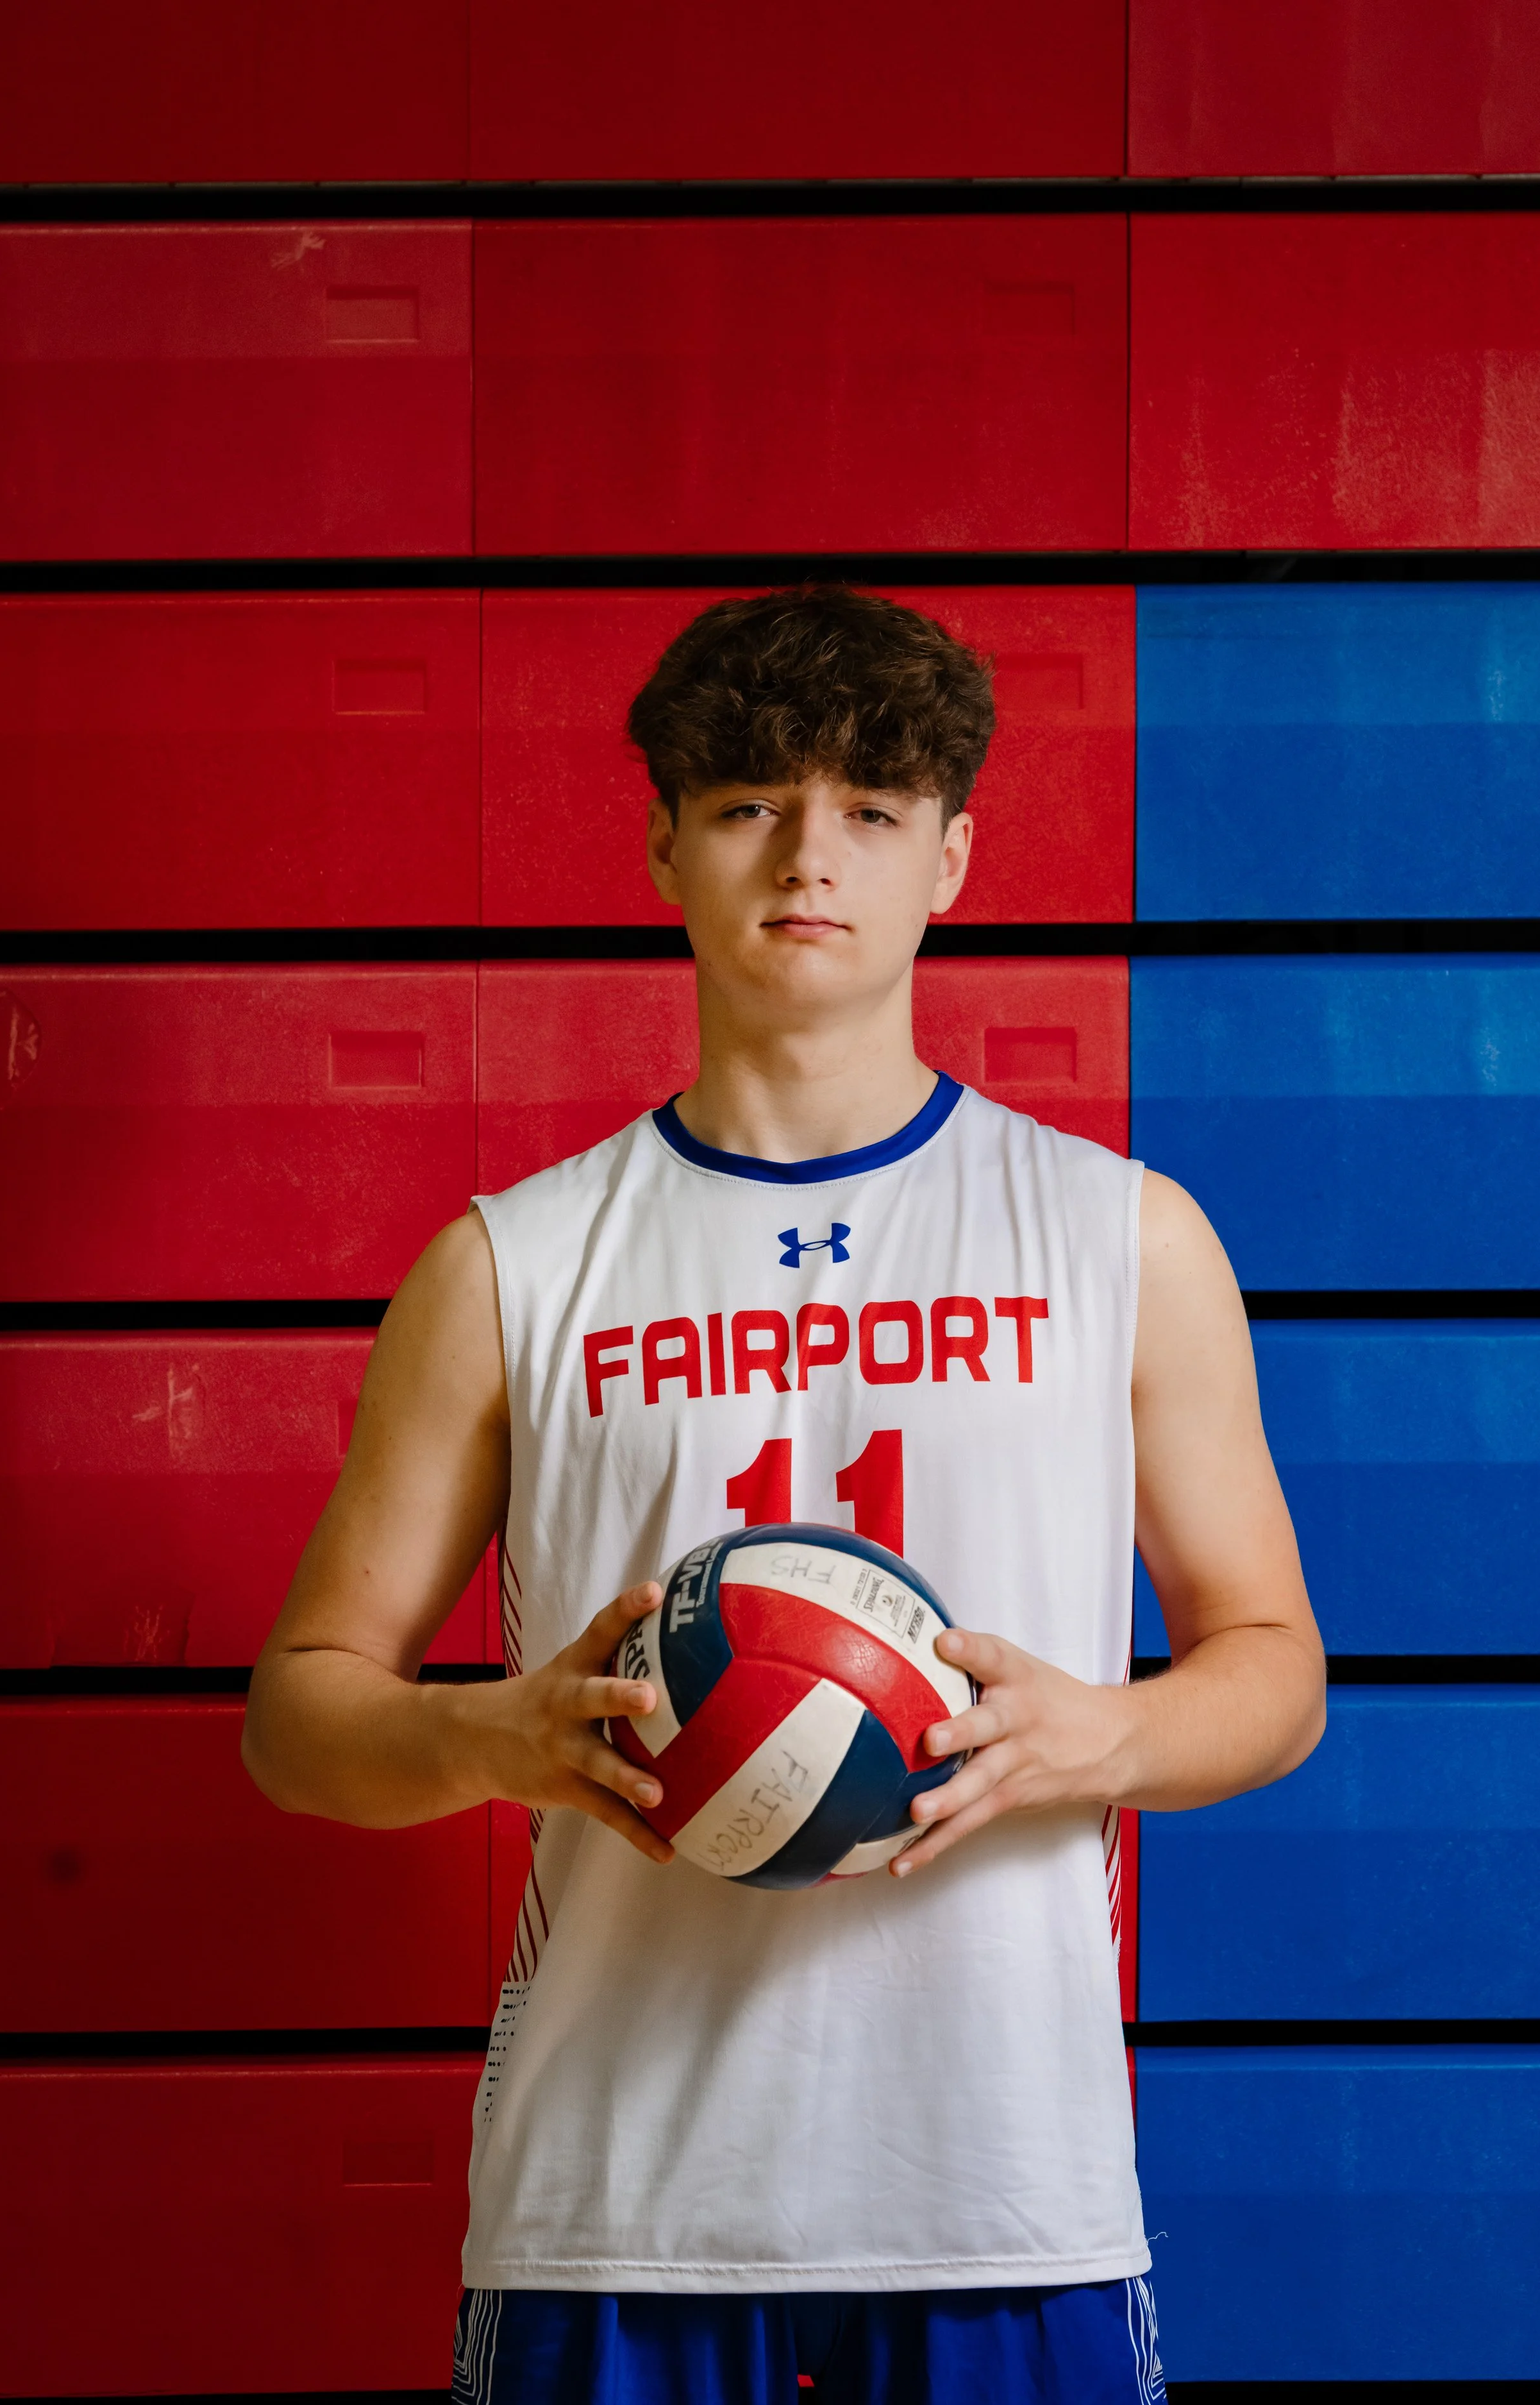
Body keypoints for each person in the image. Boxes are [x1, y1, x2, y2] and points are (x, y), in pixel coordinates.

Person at [243, 586, 1325, 2405]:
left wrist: (1100, 1734)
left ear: (952, 857)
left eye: (871, 810)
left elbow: (1274, 1667)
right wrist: (494, 1738)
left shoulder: (1119, 1235)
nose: (807, 856)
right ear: (664, 839)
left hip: (1002, 2191)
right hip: (619, 2203)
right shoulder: (509, 1265)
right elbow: (299, 1712)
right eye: (748, 800)